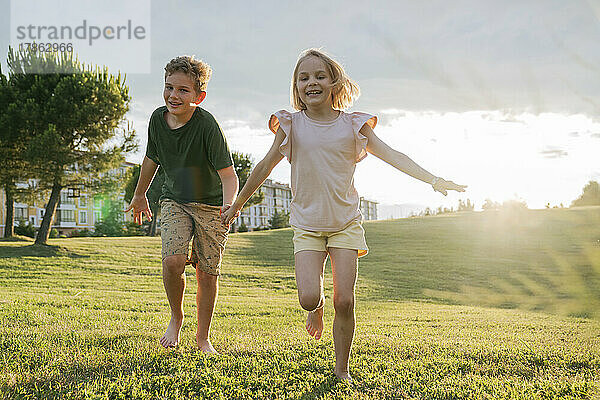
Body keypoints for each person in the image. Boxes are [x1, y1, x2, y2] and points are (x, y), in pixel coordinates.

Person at [221, 48, 466, 380]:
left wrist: (434, 180)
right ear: (296, 85)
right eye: (304, 77)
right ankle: (316, 309)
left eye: (320, 76)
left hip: (345, 224)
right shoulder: (291, 124)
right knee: (309, 298)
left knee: (346, 300)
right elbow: (264, 166)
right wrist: (237, 204)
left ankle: (341, 370)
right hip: (307, 225)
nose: (312, 83)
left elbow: (393, 155)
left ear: (334, 82)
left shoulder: (353, 125)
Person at [125, 56, 238, 352]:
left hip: (212, 206)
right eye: (169, 87)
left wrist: (230, 205)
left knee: (207, 272)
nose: (174, 95)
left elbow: (229, 175)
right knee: (173, 261)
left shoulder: (207, 126)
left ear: (199, 97)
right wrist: (139, 195)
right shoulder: (156, 120)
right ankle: (176, 317)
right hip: (175, 199)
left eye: (183, 90)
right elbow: (151, 160)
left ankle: (203, 337)